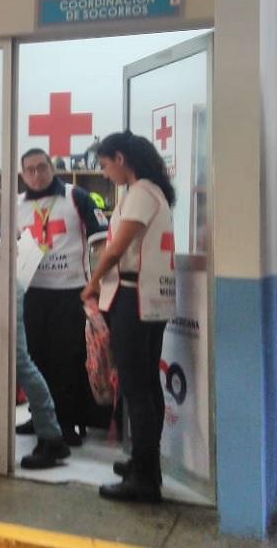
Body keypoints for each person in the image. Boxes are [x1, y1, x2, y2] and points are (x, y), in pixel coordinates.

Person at [81, 130, 176, 503]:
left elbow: (115, 249)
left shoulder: (141, 194)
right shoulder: (152, 192)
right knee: (146, 386)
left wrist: (90, 283)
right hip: (146, 298)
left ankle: (145, 478)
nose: (105, 174)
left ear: (120, 158)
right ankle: (144, 463)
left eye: (105, 165)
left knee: (138, 388)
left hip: (134, 299)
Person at [18, 148, 107, 445]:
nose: (36, 174)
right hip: (32, 293)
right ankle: (40, 416)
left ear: (51, 168)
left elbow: (101, 239)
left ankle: (67, 423)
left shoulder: (75, 196)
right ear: (22, 174)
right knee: (36, 359)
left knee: (66, 361)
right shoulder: (17, 205)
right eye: (29, 170)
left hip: (70, 292)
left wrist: (97, 283)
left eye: (41, 167)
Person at [14, 280, 72, 469]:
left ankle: (51, 436)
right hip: (0, 283)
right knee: (21, 362)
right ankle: (50, 433)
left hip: (4, 285)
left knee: (21, 362)